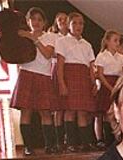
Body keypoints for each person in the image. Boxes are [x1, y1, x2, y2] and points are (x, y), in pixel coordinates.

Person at [10, 7, 58, 155]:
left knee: (45, 112)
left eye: (39, 19)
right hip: (26, 74)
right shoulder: (21, 36)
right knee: (26, 111)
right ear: (28, 20)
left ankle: (49, 145)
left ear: (44, 22)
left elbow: (48, 54)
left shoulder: (50, 36)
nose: (36, 22)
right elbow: (10, 53)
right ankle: (27, 146)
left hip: (43, 75)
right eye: (33, 19)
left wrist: (33, 38)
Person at [55, 12, 97, 152]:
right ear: (68, 25)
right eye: (75, 23)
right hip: (70, 75)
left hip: (83, 77)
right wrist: (62, 83)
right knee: (69, 110)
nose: (78, 26)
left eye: (81, 23)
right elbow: (60, 65)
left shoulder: (87, 44)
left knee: (83, 112)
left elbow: (91, 67)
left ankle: (85, 142)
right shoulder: (62, 41)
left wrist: (93, 83)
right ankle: (71, 143)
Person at [94, 30, 123, 147]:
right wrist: (109, 87)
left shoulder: (121, 57)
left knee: (112, 114)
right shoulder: (102, 55)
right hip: (106, 85)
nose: (118, 43)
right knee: (100, 113)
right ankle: (99, 139)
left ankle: (113, 138)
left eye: (119, 40)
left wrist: (118, 87)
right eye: (115, 40)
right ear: (107, 41)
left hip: (116, 84)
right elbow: (100, 74)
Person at [48, 12, 69, 151]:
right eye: (59, 19)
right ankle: (58, 140)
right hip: (57, 69)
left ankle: (69, 139)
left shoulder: (72, 38)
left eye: (65, 19)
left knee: (69, 107)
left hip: (70, 70)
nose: (62, 21)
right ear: (56, 22)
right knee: (58, 107)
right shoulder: (52, 36)